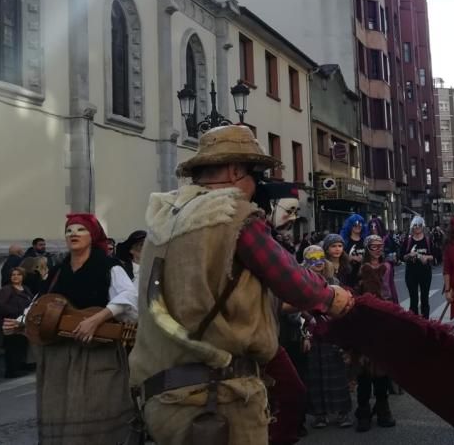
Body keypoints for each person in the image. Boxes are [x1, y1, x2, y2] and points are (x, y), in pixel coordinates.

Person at [129, 126, 354, 445]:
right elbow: (293, 281)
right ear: (236, 170)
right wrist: (332, 297)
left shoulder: (165, 220)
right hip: (217, 396)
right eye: (255, 173)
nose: (257, 183)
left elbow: (209, 293)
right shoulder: (232, 215)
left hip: (161, 396)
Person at [8, 213, 138, 444]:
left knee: (95, 409)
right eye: (69, 230)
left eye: (80, 230)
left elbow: (130, 296)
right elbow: (40, 302)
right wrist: (20, 323)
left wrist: (97, 318)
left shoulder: (109, 266)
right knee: (59, 411)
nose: (73, 234)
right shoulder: (59, 269)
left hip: (96, 352)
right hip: (58, 354)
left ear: (93, 235)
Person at [301, 246, 353, 430]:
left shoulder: (333, 280)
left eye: (321, 257)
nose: (318, 262)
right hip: (312, 336)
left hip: (332, 333)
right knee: (316, 376)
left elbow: (342, 305)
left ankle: (343, 412)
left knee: (337, 374)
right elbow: (295, 309)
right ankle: (319, 415)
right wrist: (307, 329)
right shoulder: (300, 282)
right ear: (306, 260)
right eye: (313, 258)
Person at [353, 234, 398, 432]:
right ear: (367, 247)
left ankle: (382, 408)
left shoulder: (388, 266)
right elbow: (352, 291)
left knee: (381, 366)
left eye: (380, 245)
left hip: (384, 316)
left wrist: (397, 311)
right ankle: (363, 410)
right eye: (373, 246)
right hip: (363, 318)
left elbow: (393, 288)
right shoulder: (358, 268)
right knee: (363, 369)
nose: (378, 249)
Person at [0, 267, 33, 377]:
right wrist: (16, 312)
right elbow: (0, 305)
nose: (15, 277)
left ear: (23, 276)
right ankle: (11, 370)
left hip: (22, 321)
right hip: (10, 321)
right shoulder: (7, 289)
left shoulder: (25, 288)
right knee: (12, 346)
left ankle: (19, 366)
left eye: (18, 274)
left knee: (21, 344)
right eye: (13, 275)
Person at [402, 216, 436, 317]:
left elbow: (435, 255)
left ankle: (426, 323)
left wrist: (426, 257)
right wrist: (409, 255)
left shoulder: (428, 240)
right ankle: (415, 325)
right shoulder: (407, 241)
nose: (417, 227)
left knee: (425, 299)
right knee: (413, 300)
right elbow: (401, 257)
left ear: (423, 227)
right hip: (411, 274)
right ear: (412, 227)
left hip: (425, 274)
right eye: (415, 225)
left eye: (419, 225)